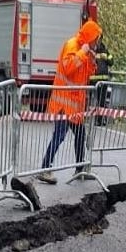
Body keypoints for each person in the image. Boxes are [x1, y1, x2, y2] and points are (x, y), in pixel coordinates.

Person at [35, 19, 99, 184]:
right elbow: (69, 67)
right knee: (60, 136)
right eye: (96, 38)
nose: (97, 42)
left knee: (79, 135)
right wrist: (83, 53)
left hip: (74, 105)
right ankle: (44, 169)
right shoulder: (73, 46)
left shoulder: (84, 49)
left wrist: (91, 60)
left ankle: (79, 168)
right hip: (64, 104)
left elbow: (86, 74)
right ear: (89, 37)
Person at [89, 35, 113, 126]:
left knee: (101, 101)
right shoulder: (90, 49)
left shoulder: (105, 50)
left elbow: (111, 62)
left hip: (103, 81)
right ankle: (85, 117)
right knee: (90, 101)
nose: (98, 41)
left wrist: (106, 57)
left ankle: (100, 120)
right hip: (92, 81)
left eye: (99, 39)